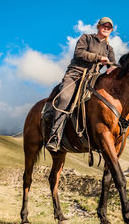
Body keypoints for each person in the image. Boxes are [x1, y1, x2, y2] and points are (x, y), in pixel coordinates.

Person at [44, 17, 117, 151]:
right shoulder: (86, 38)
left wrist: (112, 68)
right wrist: (98, 58)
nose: (106, 28)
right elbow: (79, 53)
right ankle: (54, 136)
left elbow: (111, 66)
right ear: (98, 26)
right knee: (65, 98)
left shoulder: (109, 49)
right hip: (75, 75)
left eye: (109, 27)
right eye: (104, 26)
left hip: (93, 78)